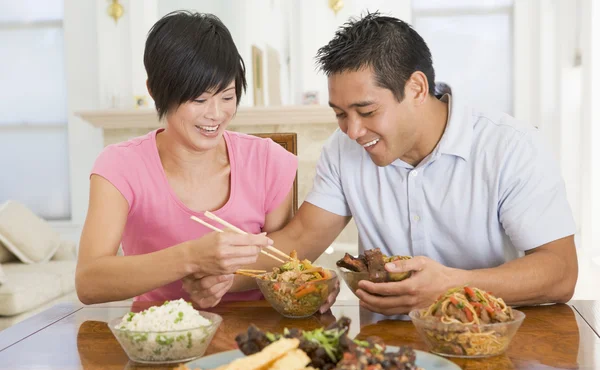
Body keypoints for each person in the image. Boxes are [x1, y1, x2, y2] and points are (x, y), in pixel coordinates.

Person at [187, 12, 578, 315]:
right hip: (385, 342)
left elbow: (560, 273)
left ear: (417, 88)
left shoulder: (509, 147)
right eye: (340, 113)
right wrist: (225, 276)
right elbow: (299, 241)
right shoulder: (342, 150)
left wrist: (451, 284)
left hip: (484, 335)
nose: (353, 131)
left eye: (367, 110)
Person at [75, 11, 298, 308]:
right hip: (157, 336)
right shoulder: (120, 167)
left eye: (227, 96)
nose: (215, 114)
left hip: (253, 334)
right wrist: (192, 257)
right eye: (199, 99)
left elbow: (284, 265)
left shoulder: (268, 161)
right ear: (155, 91)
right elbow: (89, 282)